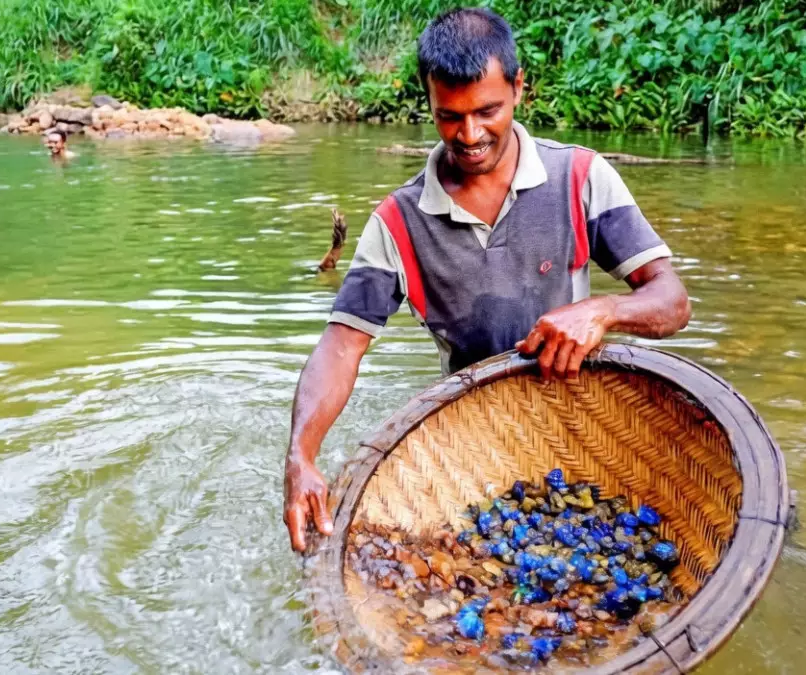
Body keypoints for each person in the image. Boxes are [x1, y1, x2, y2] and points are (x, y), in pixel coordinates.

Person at [283, 8, 691, 552]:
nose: (470, 134)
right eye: (449, 116)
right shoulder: (399, 223)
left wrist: (603, 311)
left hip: (579, 427)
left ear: (520, 88)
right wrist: (301, 455)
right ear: (428, 101)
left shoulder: (580, 178)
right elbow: (341, 346)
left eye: (487, 111)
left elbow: (671, 301)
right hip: (472, 439)